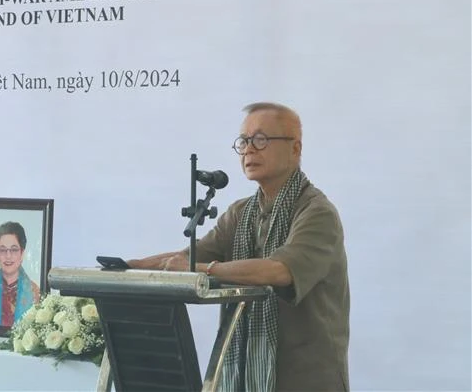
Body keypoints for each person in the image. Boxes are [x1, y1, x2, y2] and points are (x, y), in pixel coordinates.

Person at [128, 102, 350, 392]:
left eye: (260, 140)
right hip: (244, 374)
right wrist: (130, 266)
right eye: (243, 141)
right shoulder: (240, 212)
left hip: (303, 377)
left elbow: (279, 270)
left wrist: (204, 269)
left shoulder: (317, 212)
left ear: (295, 149)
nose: (248, 150)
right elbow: (187, 257)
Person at [0, 221, 40, 327]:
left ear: (22, 253)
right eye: (3, 250)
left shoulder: (35, 293)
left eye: (14, 249)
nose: (8, 256)